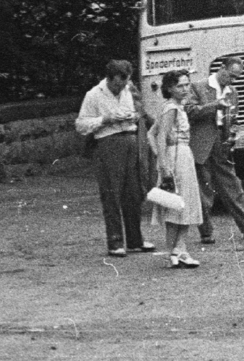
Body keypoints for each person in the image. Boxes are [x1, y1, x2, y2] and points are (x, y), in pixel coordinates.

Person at [183, 58, 244, 244]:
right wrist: (215, 105)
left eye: (236, 77)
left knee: (233, 186)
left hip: (222, 143)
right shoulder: (199, 86)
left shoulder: (233, 92)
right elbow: (190, 111)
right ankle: (206, 233)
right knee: (204, 189)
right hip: (201, 142)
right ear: (221, 68)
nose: (232, 80)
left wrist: (233, 133)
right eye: (231, 76)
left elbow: (235, 119)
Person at [74, 60, 152, 257]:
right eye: (117, 84)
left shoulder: (128, 90)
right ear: (109, 79)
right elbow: (81, 125)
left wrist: (134, 116)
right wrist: (105, 119)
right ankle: (115, 241)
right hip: (108, 143)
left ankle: (135, 240)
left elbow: (140, 111)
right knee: (111, 193)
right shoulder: (93, 95)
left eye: (124, 83)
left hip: (130, 140)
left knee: (134, 192)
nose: (121, 87)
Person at [152, 70, 205, 268]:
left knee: (183, 204)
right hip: (177, 157)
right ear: (169, 88)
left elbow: (151, 133)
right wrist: (163, 164)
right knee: (179, 204)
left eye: (186, 85)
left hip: (183, 155)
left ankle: (177, 250)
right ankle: (177, 250)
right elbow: (159, 135)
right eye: (179, 86)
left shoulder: (176, 108)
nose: (184, 89)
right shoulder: (171, 108)